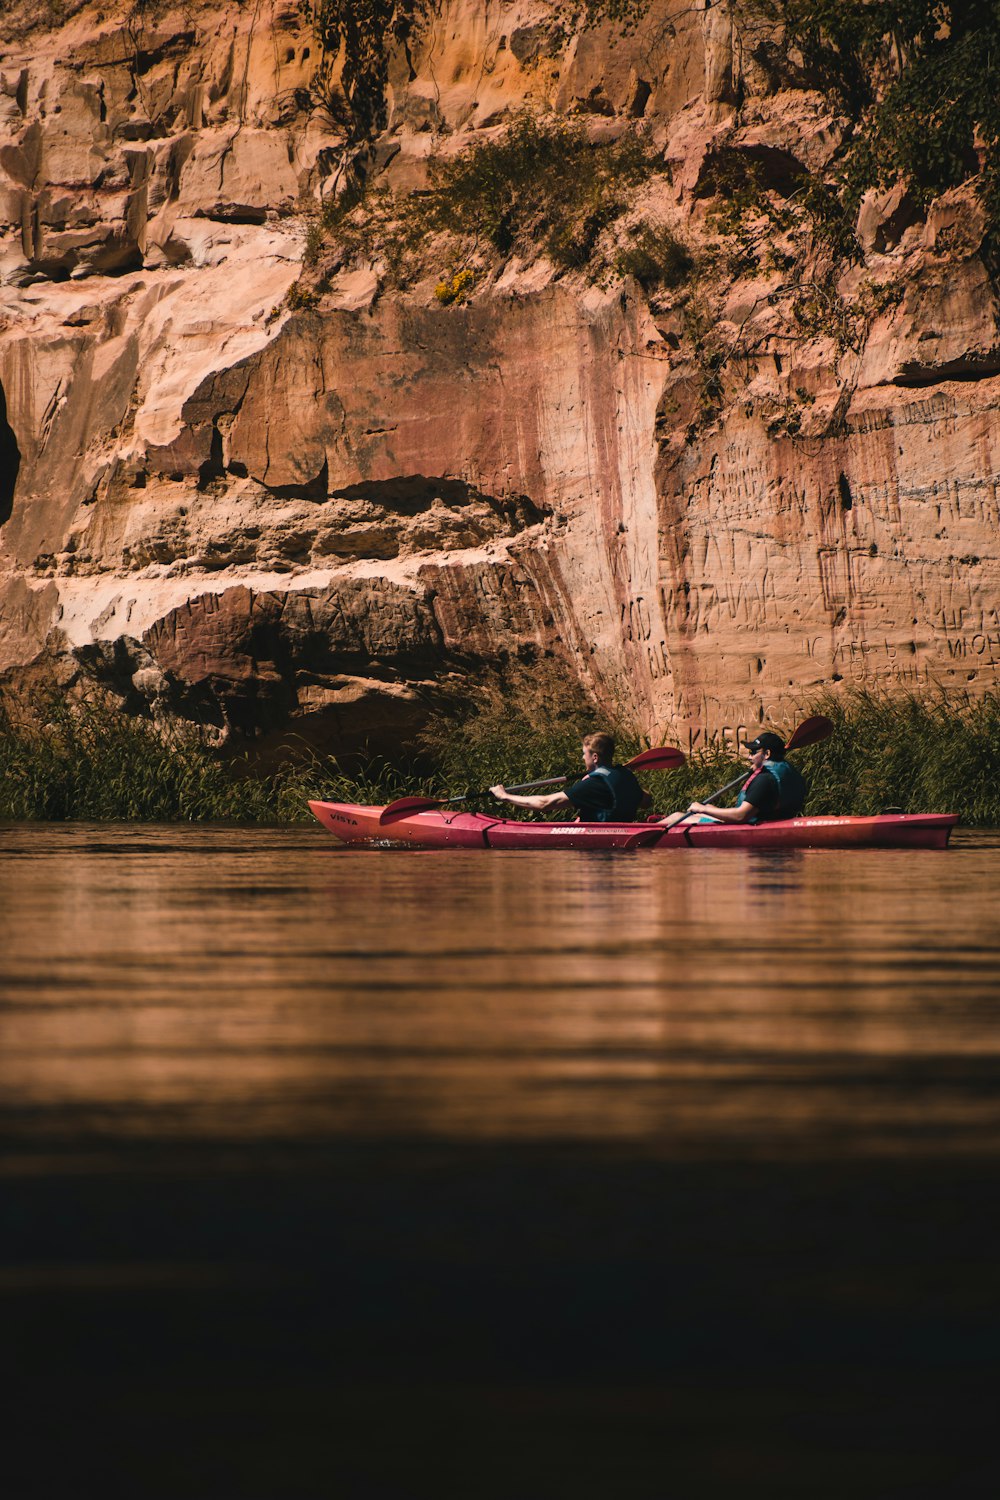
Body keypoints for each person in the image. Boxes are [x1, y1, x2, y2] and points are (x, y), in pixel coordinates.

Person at [490, 732, 651, 823]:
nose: (582, 758)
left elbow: (544, 804)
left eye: (584, 754)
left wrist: (504, 796)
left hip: (601, 853)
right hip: (623, 842)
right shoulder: (626, 776)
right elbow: (647, 802)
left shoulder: (593, 784)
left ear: (594, 757)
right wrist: (623, 782)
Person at [658, 730, 807, 828]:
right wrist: (712, 810)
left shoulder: (765, 780)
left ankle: (640, 830)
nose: (749, 757)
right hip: (774, 822)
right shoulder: (787, 772)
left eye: (753, 752)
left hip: (751, 827)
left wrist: (701, 808)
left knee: (677, 816)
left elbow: (741, 816)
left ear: (767, 754)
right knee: (703, 812)